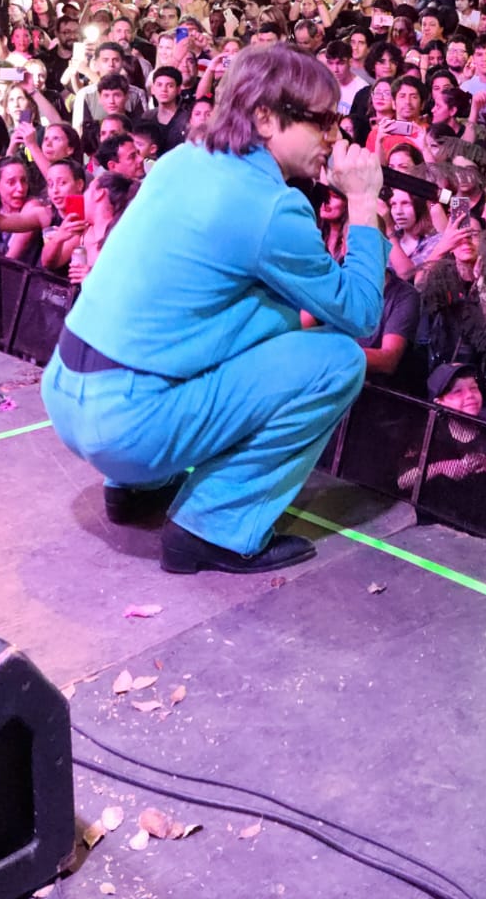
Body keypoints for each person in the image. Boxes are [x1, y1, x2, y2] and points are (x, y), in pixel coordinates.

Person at [40, 43, 387, 573]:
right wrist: (362, 206)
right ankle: (215, 528)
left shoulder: (182, 160)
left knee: (247, 319)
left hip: (66, 393)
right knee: (339, 360)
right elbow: (362, 315)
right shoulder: (270, 206)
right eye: (323, 121)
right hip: (131, 424)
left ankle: (136, 490)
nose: (335, 137)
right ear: (266, 118)